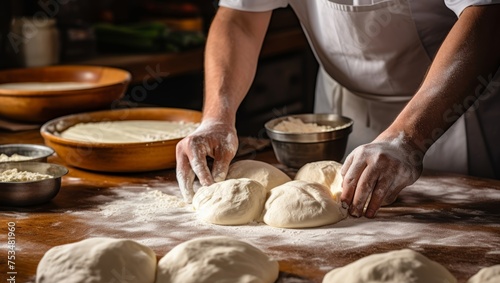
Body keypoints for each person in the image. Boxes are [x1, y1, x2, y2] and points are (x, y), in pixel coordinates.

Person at [176, 0, 500, 218]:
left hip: (451, 106)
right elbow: (241, 17)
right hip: (344, 106)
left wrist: (408, 139)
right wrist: (217, 116)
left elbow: (487, 14)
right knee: (333, 223)